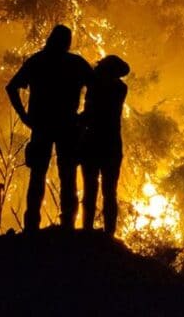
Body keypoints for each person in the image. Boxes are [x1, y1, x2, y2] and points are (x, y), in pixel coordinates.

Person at [6, 25, 92, 232]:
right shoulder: (75, 63)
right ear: (67, 42)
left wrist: (24, 116)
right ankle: (68, 226)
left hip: (42, 125)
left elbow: (12, 87)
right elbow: (97, 87)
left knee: (38, 175)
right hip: (67, 125)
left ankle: (32, 228)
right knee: (68, 174)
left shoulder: (38, 61)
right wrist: (85, 116)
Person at [80, 55, 129, 237]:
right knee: (109, 191)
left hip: (93, 142)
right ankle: (108, 233)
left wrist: (74, 120)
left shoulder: (97, 87)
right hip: (111, 144)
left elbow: (91, 113)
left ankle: (87, 229)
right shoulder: (120, 88)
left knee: (90, 188)